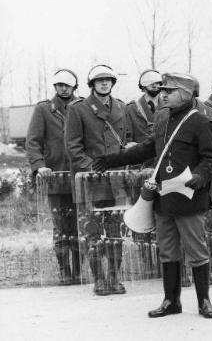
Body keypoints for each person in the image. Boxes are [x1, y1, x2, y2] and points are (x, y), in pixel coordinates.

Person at [92, 73, 212, 319]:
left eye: (169, 90)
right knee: (167, 251)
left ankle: (204, 301)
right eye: (162, 90)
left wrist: (199, 177)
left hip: (190, 197)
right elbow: (147, 149)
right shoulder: (162, 118)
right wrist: (111, 160)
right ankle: (171, 301)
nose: (163, 94)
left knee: (197, 251)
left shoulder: (202, 121)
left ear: (184, 93)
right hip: (164, 198)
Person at [65, 64, 132, 296]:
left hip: (116, 180)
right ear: (92, 84)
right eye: (99, 81)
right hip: (91, 180)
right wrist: (92, 168)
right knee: (92, 232)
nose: (105, 84)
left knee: (115, 232)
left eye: (108, 80)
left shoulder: (122, 107)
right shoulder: (79, 109)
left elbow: (128, 139)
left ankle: (114, 276)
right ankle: (99, 279)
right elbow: (73, 146)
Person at [26, 69, 81, 285]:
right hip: (55, 178)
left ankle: (78, 270)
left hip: (79, 177)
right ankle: (65, 271)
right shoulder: (43, 109)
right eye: (59, 85)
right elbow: (33, 142)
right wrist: (40, 166)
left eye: (67, 85)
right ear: (55, 87)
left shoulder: (82, 107)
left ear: (74, 86)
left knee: (81, 224)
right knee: (61, 225)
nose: (63, 88)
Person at [126, 69, 162, 145]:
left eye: (157, 82)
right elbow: (127, 138)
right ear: (143, 86)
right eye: (150, 82)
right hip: (141, 154)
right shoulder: (131, 109)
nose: (154, 85)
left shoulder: (169, 107)